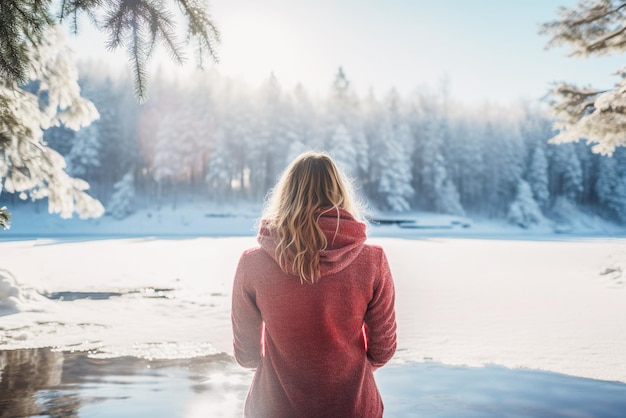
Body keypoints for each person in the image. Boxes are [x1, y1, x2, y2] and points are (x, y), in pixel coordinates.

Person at [231, 151, 397, 418]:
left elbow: (247, 355)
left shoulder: (254, 264)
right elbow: (383, 350)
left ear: (285, 195)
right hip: (353, 408)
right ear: (340, 194)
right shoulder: (372, 261)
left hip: (274, 409)